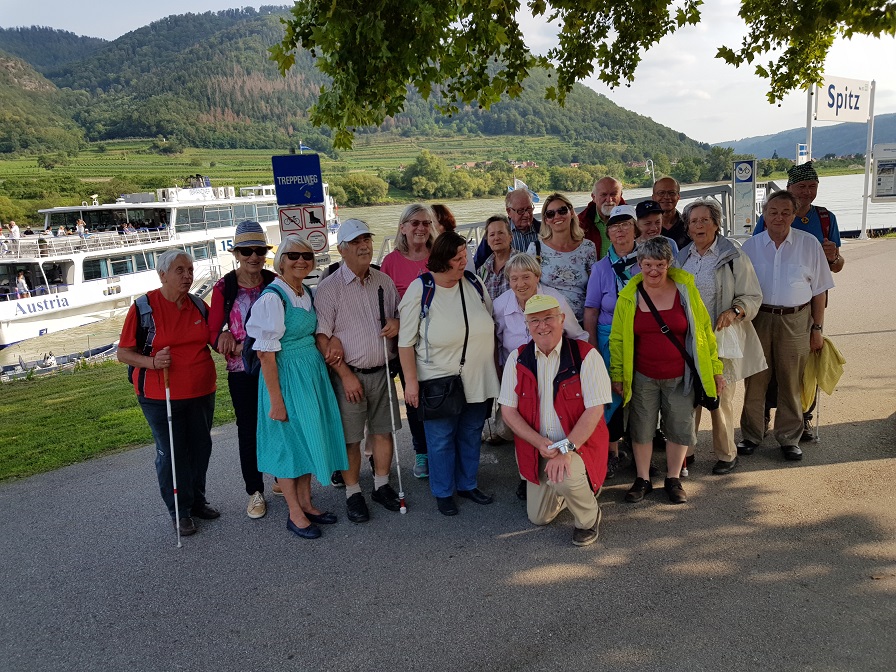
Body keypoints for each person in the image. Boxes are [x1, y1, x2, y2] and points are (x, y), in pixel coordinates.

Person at [246, 235, 348, 539]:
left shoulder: (305, 293)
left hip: (310, 375)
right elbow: (265, 354)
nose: (301, 260)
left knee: (305, 440)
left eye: (307, 255)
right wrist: (276, 402)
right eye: (293, 256)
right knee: (289, 445)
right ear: (281, 261)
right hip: (286, 377)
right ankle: (294, 512)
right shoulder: (272, 298)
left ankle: (306, 502)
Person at [610, 237, 724, 504]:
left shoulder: (685, 289)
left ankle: (673, 478)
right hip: (642, 376)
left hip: (680, 376)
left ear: (669, 263)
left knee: (679, 427)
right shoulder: (629, 295)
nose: (653, 271)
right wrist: (617, 374)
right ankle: (642, 479)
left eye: (659, 264)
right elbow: (617, 338)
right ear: (638, 264)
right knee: (641, 429)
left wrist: (716, 369)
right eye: (647, 264)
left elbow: (704, 332)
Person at [117, 249, 218, 537]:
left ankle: (198, 501)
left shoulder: (198, 305)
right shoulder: (144, 308)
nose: (187, 276)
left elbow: (215, 337)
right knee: (172, 454)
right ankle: (179, 510)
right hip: (160, 396)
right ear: (162, 274)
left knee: (200, 449)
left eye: (190, 270)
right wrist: (151, 362)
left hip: (201, 391)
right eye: (180, 270)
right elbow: (123, 353)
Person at [398, 231, 500, 516]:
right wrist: (411, 384)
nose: (463, 262)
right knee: (441, 438)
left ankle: (467, 484)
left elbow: (489, 319)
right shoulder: (421, 289)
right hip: (438, 380)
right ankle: (443, 491)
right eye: (457, 259)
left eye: (464, 256)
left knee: (471, 432)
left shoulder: (473, 282)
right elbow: (405, 342)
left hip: (478, 376)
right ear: (441, 261)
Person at [499, 294, 612, 546]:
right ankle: (569, 489)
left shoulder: (586, 355)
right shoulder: (517, 358)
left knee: (567, 475)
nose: (543, 326)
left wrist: (564, 449)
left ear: (562, 319)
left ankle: (588, 517)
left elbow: (595, 410)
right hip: (539, 447)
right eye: (535, 320)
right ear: (527, 325)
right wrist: (540, 443)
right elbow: (508, 411)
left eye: (549, 318)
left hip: (578, 446)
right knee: (539, 517)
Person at [315, 219, 403, 523]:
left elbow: (397, 318)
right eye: (355, 242)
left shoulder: (383, 281)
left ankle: (381, 485)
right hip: (349, 375)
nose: (364, 245)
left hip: (382, 371)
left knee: (383, 432)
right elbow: (322, 337)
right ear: (342, 250)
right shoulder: (328, 289)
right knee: (351, 438)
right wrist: (345, 375)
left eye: (366, 238)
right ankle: (353, 492)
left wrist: (397, 325)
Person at [738, 191, 834, 463]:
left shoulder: (809, 244)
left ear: (794, 215)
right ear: (764, 215)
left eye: (785, 212)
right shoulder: (750, 247)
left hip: (796, 319)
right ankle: (752, 435)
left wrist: (817, 328)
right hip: (758, 319)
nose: (778, 217)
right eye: (773, 212)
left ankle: (789, 438)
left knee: (792, 380)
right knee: (755, 379)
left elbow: (819, 291)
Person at [754, 162, 844, 442]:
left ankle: (801, 420)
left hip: (806, 305)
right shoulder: (771, 217)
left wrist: (833, 256)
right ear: (789, 188)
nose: (807, 192)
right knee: (765, 370)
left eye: (812, 186)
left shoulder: (826, 218)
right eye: (801, 186)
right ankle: (764, 418)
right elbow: (760, 254)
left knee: (801, 369)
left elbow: (837, 266)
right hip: (768, 307)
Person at [677, 198, 766, 474]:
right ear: (688, 227)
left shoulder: (732, 255)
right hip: (688, 339)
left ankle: (727, 454)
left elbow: (752, 295)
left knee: (720, 396)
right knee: (687, 396)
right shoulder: (682, 257)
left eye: (705, 220)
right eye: (694, 221)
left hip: (720, 337)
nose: (699, 225)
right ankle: (686, 451)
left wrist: (736, 311)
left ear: (716, 224)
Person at [493, 252, 588, 499]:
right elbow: (498, 342)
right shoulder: (501, 305)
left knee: (553, 421)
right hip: (520, 375)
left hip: (554, 371)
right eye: (514, 278)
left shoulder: (554, 299)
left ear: (537, 276)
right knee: (523, 426)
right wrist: (501, 377)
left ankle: (569, 468)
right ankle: (527, 476)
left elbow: (576, 335)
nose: (520, 283)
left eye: (526, 277)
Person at [207, 221, 276, 519]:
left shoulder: (274, 282)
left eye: (259, 250)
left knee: (278, 422)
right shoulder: (225, 287)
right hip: (241, 373)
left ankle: (282, 478)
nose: (253, 256)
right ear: (236, 254)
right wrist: (224, 338)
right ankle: (255, 491)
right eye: (247, 251)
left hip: (275, 366)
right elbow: (211, 334)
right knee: (248, 430)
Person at [583, 204, 641, 478]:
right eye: (615, 226)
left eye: (626, 224)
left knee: (642, 394)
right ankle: (611, 453)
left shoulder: (648, 261)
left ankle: (642, 451)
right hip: (609, 339)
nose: (620, 231)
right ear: (609, 232)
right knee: (612, 396)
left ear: (635, 228)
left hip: (642, 336)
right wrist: (593, 348)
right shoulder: (600, 268)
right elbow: (591, 310)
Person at [380, 203, 435, 478]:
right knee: (414, 397)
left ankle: (441, 448)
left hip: (439, 343)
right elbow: (387, 306)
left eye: (426, 223)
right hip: (407, 345)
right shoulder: (391, 262)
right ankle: (422, 451)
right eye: (414, 223)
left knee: (439, 394)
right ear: (403, 227)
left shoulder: (439, 256)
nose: (421, 228)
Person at [528, 192, 597, 322]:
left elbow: (593, 291)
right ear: (546, 220)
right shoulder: (535, 249)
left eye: (562, 211)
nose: (557, 216)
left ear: (571, 213)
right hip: (549, 323)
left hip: (580, 322)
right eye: (550, 214)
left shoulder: (588, 248)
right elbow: (529, 288)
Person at [474, 188, 541, 268]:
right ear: (509, 211)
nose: (527, 214)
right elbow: (478, 264)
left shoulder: (544, 231)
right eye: (521, 211)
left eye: (529, 209)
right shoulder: (495, 235)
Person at [577, 177, 623, 258]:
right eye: (604, 195)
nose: (609, 199)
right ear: (593, 197)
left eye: (613, 194)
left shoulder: (633, 221)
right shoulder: (580, 223)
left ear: (621, 195)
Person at [476, 215, 516, 300]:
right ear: (487, 241)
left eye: (501, 233)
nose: (496, 238)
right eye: (492, 235)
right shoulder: (482, 271)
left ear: (511, 237)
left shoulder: (522, 263)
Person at [653, 177, 691, 249]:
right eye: (661, 193)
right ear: (653, 197)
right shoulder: (646, 228)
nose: (667, 197)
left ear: (678, 196)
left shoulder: (689, 225)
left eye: (672, 193)